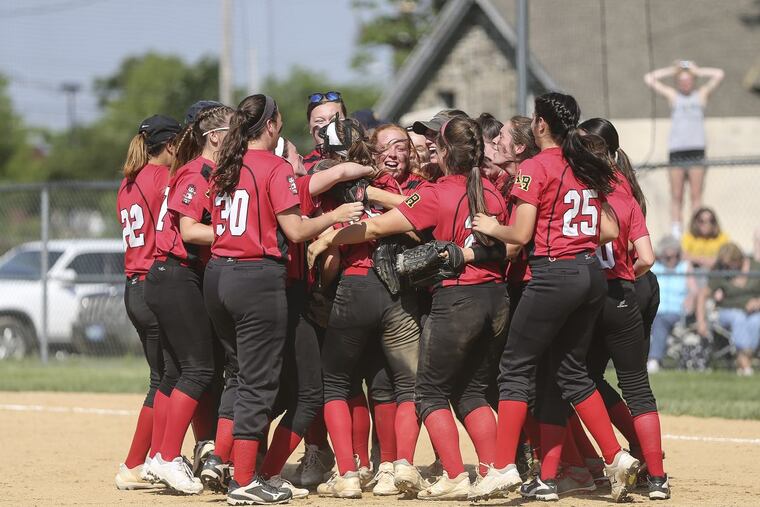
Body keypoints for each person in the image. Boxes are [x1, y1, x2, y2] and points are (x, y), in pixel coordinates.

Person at [308, 116, 509, 501]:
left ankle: (393, 471)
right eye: (390, 146)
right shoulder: (488, 191)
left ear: (444, 152)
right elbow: (512, 241)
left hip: (430, 295)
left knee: (419, 390)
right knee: (465, 391)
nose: (399, 152)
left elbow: (381, 227)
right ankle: (488, 469)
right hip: (491, 295)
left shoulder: (429, 191)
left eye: (405, 145)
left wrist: (332, 234)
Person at [468, 92, 641, 504]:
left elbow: (521, 235)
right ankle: (615, 457)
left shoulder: (534, 167)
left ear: (541, 125)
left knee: (513, 367)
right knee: (572, 372)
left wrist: (490, 226)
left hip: (554, 273)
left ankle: (503, 468)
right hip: (589, 273)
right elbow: (610, 231)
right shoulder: (585, 164)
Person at [203, 94, 363, 505]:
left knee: (242, 377)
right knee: (258, 384)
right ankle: (244, 481)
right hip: (256, 277)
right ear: (272, 125)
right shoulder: (273, 166)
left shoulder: (226, 164)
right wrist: (337, 215)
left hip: (218, 275)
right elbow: (295, 231)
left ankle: (231, 464)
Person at [143, 103, 233, 495]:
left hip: (169, 276)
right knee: (198, 370)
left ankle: (158, 457)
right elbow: (191, 231)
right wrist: (238, 235)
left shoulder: (197, 169)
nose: (240, 139)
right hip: (175, 275)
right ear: (215, 136)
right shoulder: (198, 171)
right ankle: (165, 456)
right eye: (234, 131)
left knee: (178, 372)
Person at [580, 117, 670, 501]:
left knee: (581, 377)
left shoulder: (579, 189)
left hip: (591, 294)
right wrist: (623, 280)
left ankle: (618, 456)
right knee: (637, 385)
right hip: (629, 290)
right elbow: (647, 257)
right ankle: (658, 476)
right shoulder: (625, 189)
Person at [114, 114, 180, 491]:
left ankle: (144, 460)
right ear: (169, 144)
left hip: (132, 286)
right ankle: (139, 462)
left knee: (161, 377)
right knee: (168, 379)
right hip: (154, 284)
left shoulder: (128, 182)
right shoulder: (161, 178)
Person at [644, 60, 724, 238]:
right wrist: (673, 70)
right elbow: (649, 78)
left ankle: (695, 231)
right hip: (677, 151)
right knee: (676, 194)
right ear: (677, 82)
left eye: (688, 80)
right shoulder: (673, 96)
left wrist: (697, 70)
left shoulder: (701, 95)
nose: (685, 84)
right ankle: (676, 233)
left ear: (693, 81)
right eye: (682, 80)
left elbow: (719, 74)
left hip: (696, 150)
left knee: (696, 195)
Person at [696, 242, 760, 376]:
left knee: (756, 321)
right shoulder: (720, 270)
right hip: (727, 311)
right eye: (725, 264)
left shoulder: (755, 266)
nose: (728, 267)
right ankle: (745, 362)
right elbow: (702, 294)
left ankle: (744, 358)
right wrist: (701, 321)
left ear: (739, 259)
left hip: (754, 311)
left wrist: (758, 302)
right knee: (738, 317)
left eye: (731, 263)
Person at [648, 236, 696, 373]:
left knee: (660, 321)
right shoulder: (654, 267)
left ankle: (654, 360)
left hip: (676, 312)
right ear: (661, 256)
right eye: (667, 257)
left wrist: (691, 299)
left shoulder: (685, 267)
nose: (672, 260)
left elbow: (694, 290)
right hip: (654, 311)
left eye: (675, 256)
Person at [303, 91, 348, 171]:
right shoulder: (303, 168)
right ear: (310, 127)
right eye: (320, 121)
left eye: (335, 119)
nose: (328, 126)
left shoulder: (364, 158)